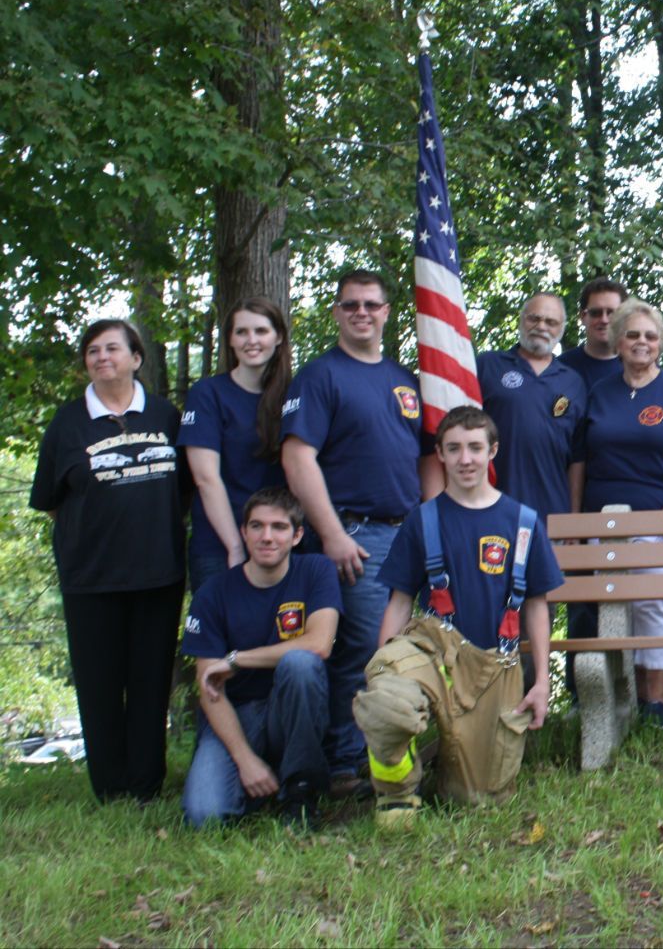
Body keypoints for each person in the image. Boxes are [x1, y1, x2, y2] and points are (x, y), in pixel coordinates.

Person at [359, 406, 562, 826]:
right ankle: (396, 794)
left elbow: (538, 606)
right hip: (433, 650)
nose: (465, 459)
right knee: (387, 701)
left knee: (474, 800)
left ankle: (448, 765)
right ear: (440, 455)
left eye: (474, 447)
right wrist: (380, 668)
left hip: (495, 664)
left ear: (493, 451)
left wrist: (541, 682)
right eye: (454, 449)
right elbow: (399, 600)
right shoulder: (423, 520)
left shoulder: (523, 523)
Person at [281, 269, 430, 795]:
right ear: (337, 313)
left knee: (407, 648)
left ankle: (393, 752)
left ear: (388, 312)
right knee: (366, 650)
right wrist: (333, 534)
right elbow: (298, 458)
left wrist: (431, 526)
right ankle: (346, 764)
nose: (362, 312)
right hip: (354, 534)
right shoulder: (320, 376)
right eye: (351, 305)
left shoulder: (405, 380)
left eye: (372, 304)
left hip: (408, 532)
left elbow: (427, 457)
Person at [30, 319, 185, 803]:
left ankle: (145, 784)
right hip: (91, 577)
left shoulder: (165, 416)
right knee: (99, 684)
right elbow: (52, 498)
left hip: (158, 574)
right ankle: (110, 787)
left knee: (149, 681)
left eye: (112, 348)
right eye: (92, 351)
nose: (101, 357)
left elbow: (185, 490)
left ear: (136, 358)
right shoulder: (68, 422)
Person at [573, 298, 663, 727]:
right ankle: (624, 699)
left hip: (662, 519)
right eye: (632, 334)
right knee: (617, 609)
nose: (641, 342)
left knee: (660, 605)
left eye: (650, 336)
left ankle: (656, 704)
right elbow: (579, 458)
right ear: (617, 341)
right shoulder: (598, 393)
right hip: (605, 520)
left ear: (661, 344)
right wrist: (577, 514)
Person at [180, 488, 340, 829]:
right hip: (236, 715)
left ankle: (300, 792)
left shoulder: (315, 571)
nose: (267, 537)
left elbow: (319, 644)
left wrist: (236, 660)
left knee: (300, 664)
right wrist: (244, 759)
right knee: (203, 816)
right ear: (243, 532)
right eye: (257, 526)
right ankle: (256, 777)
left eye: (279, 527)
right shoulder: (213, 593)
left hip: (290, 710)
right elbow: (209, 686)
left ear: (297, 535)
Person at [477, 292, 588, 694]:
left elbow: (578, 457)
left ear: (561, 329)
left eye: (551, 322)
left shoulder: (573, 381)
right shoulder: (487, 366)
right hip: (487, 512)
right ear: (521, 319)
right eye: (534, 318)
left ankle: (524, 706)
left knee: (533, 621)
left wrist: (572, 518)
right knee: (485, 616)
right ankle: (483, 708)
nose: (542, 326)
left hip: (547, 519)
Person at [180, 297, 292, 594]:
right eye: (241, 332)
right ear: (229, 339)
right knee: (221, 639)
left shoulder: (295, 395)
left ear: (278, 337)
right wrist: (236, 546)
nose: (251, 340)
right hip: (221, 546)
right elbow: (206, 478)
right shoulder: (208, 394)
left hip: (282, 545)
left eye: (261, 331)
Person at [558, 278, 627, 391]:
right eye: (596, 313)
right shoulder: (560, 368)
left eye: (612, 313)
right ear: (583, 316)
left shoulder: (639, 370)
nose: (604, 320)